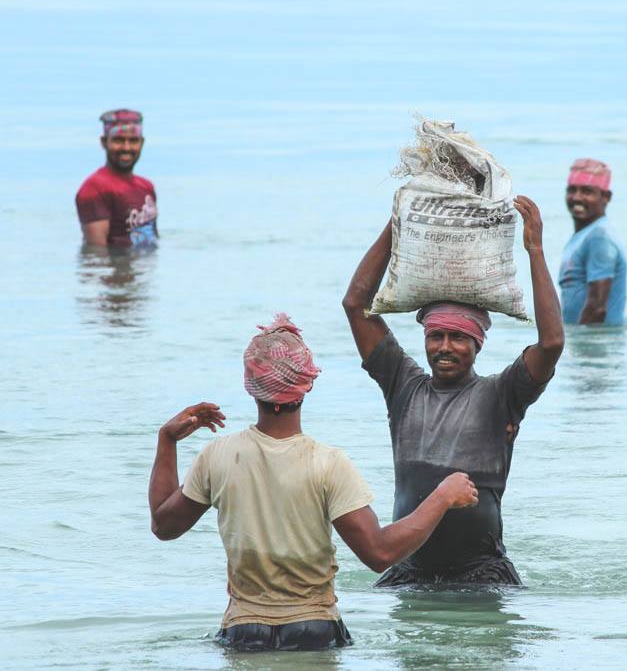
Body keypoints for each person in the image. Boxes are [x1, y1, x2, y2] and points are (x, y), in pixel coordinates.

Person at [148, 313, 479, 652]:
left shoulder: (217, 456)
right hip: (314, 632)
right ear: (307, 384)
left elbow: (164, 526)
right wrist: (442, 496)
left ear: (250, 386)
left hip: (244, 633)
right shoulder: (327, 463)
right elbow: (380, 554)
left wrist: (166, 441)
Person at [342, 195, 564, 587]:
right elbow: (356, 303)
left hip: (481, 573)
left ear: (478, 344)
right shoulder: (403, 386)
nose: (445, 348)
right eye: (436, 336)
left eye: (459, 338)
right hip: (410, 570)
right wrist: (398, 227)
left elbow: (551, 344)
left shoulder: (501, 395)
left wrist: (535, 250)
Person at [558, 159, 627, 326]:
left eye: (587, 191)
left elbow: (597, 308)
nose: (577, 198)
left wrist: (582, 347)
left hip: (594, 347)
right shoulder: (584, 235)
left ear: (606, 197)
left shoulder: (599, 237)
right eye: (572, 190)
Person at [76, 109, 159, 247]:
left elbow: (154, 240)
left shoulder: (146, 186)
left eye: (133, 141)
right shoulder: (95, 189)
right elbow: (97, 255)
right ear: (104, 142)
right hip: (117, 267)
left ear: (142, 143)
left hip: (143, 267)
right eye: (118, 140)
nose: (126, 148)